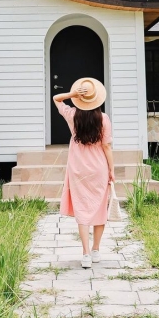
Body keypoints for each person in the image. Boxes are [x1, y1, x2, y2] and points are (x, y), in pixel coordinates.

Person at [53, 77, 115, 269]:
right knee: (99, 208)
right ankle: (96, 250)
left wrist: (72, 94)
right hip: (98, 169)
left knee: (82, 209)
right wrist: (111, 169)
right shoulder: (103, 119)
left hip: (78, 169)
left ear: (79, 99)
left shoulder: (72, 115)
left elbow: (56, 98)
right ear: (97, 98)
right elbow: (107, 146)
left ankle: (86, 253)